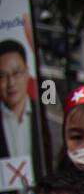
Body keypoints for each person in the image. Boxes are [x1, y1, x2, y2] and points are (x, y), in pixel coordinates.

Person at [0, 39, 50, 176]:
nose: (11, 83)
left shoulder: (43, 114)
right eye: (2, 76)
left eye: (17, 73)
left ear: (27, 73)